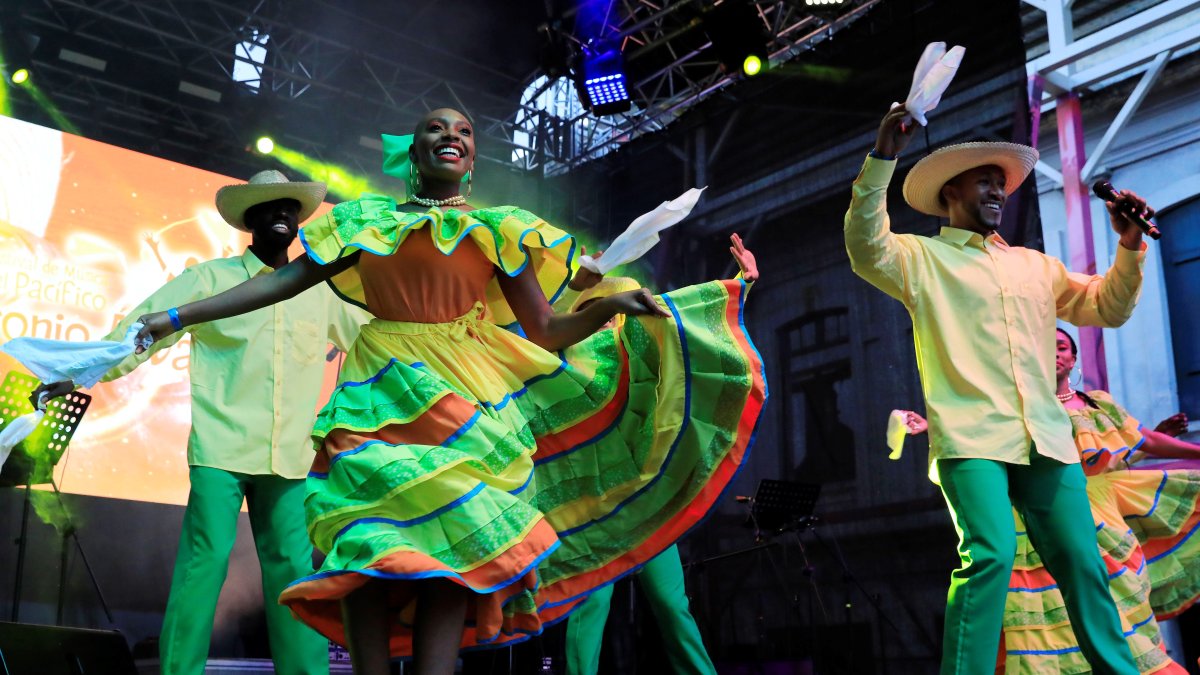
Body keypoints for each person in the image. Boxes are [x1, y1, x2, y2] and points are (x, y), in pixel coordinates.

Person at [115, 108, 766, 675]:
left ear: (472, 159)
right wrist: (174, 316)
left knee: (455, 549)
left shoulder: (500, 230)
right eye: (435, 127)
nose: (450, 135)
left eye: (462, 130)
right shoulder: (369, 223)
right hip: (378, 393)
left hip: (462, 400)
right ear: (416, 152)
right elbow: (275, 285)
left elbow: (545, 328)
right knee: (367, 545)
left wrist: (609, 306)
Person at [846, 103, 1152, 674]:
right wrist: (883, 158)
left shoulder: (1036, 267)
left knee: (1084, 562)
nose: (997, 190)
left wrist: (1130, 245)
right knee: (990, 554)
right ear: (950, 192)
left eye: (1001, 182)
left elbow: (1107, 306)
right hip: (970, 437)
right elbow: (865, 245)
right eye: (984, 180)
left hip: (1045, 438)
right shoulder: (921, 257)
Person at [34, 170, 371, 675]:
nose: (281, 214)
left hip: (293, 458)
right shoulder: (208, 281)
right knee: (203, 568)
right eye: (268, 207)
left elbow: (373, 344)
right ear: (248, 220)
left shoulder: (321, 293)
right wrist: (72, 375)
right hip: (221, 449)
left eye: (290, 208)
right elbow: (137, 333)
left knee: (296, 578)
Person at [898, 328, 1200, 673]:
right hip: (1041, 511)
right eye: (1046, 347)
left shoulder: (1096, 402)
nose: (1054, 353)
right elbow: (978, 435)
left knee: (1113, 601)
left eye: (1061, 347)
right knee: (1041, 611)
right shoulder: (1016, 405)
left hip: (1103, 516)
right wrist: (934, 427)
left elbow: (1144, 438)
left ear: (1073, 359)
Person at [563, 233, 758, 675]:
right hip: (590, 505)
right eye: (606, 314)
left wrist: (741, 283)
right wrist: (578, 285)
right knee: (589, 609)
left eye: (621, 312)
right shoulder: (566, 362)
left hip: (643, 498)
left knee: (673, 607)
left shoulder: (644, 356)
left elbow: (695, 331)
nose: (615, 323)